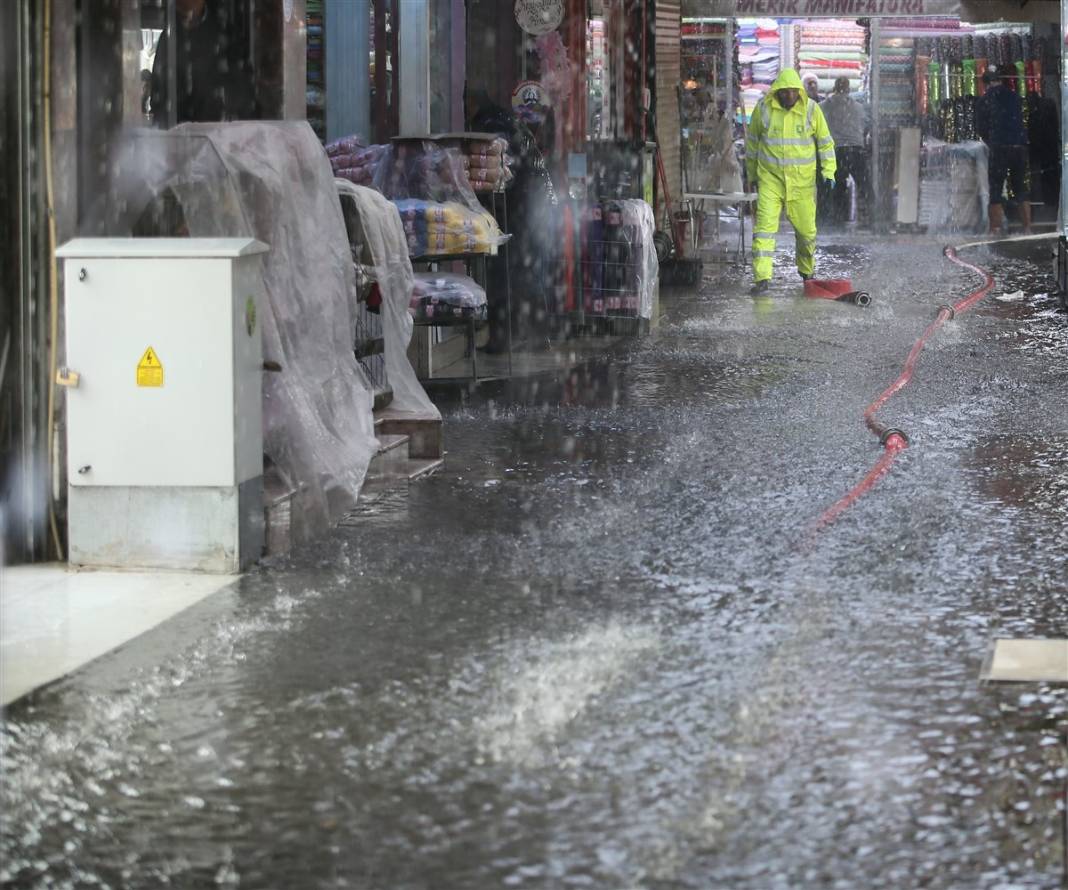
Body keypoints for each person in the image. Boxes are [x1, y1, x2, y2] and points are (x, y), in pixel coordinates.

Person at [745, 68, 836, 295]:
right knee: (764, 230)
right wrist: (752, 176)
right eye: (784, 92)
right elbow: (753, 145)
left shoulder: (811, 110)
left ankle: (806, 272)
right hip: (771, 180)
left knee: (807, 233)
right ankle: (762, 278)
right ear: (777, 91)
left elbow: (825, 143)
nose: (788, 96)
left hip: (802, 183)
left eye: (792, 92)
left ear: (799, 92)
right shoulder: (764, 110)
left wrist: (829, 171)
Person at [150, 0, 257, 126]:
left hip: (220, 134)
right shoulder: (168, 39)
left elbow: (242, 95)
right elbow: (159, 97)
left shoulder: (226, 35)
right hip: (179, 136)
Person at [976, 65, 1031, 234]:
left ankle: (995, 229)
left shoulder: (984, 101)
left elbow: (982, 129)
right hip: (1019, 148)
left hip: (1000, 148)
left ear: (985, 84)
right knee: (1020, 188)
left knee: (996, 189)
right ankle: (1028, 228)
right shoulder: (1015, 97)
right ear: (1000, 80)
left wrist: (992, 141)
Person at [820, 77, 869, 226]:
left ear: (834, 88)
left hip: (836, 151)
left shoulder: (824, 106)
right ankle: (872, 217)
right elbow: (866, 126)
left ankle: (835, 218)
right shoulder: (859, 107)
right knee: (864, 185)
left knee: (836, 187)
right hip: (856, 150)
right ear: (848, 89)